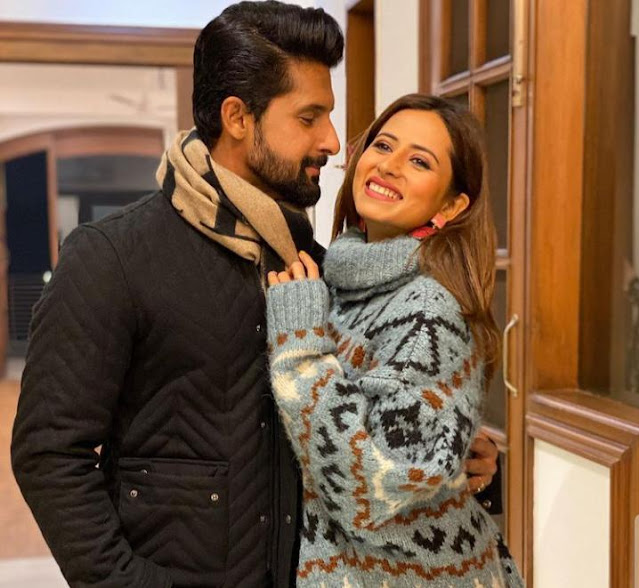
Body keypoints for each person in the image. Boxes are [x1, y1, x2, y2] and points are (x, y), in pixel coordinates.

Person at [11, 3, 500, 587]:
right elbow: (50, 454)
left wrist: (446, 453)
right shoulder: (112, 256)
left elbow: (344, 428)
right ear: (238, 117)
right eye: (309, 117)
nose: (333, 141)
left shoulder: (310, 265)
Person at [266, 94, 523, 586]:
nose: (389, 165)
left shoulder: (429, 311)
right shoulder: (341, 280)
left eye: (420, 161)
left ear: (452, 204)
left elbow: (369, 490)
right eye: (383, 145)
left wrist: (300, 350)